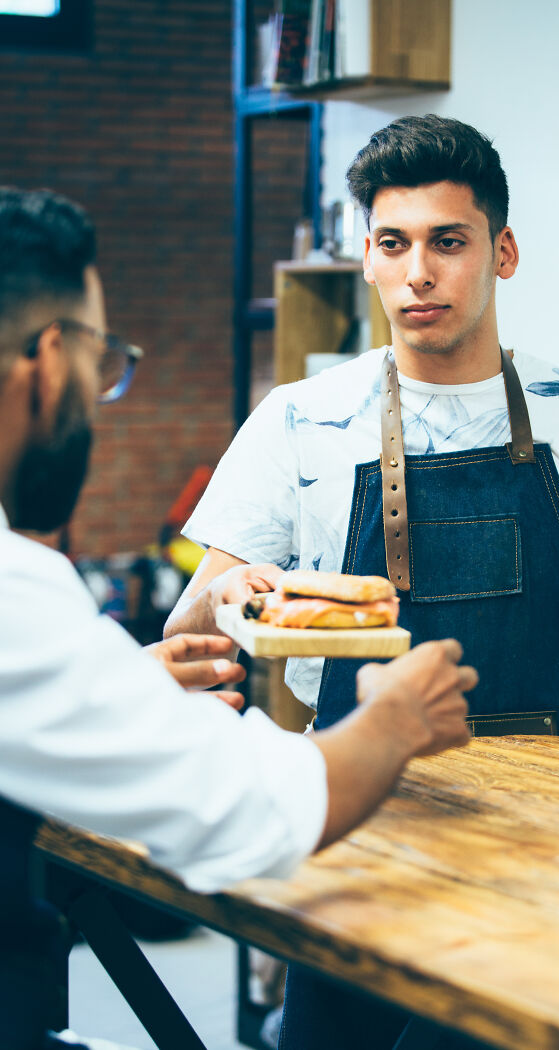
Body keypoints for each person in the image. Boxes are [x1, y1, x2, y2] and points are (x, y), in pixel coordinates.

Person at [165, 114, 559, 1048]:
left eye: (448, 242)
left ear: (503, 252)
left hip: (554, 829)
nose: (420, 271)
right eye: (393, 244)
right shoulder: (299, 422)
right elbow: (195, 632)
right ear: (366, 259)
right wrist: (230, 624)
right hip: (358, 818)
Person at [0, 186, 478, 1050]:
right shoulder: (14, 591)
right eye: (101, 365)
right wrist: (396, 719)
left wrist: (117, 688)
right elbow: (253, 813)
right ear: (45, 358)